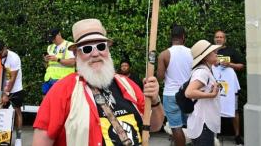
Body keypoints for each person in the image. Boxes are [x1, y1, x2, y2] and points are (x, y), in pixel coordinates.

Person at [32, 18, 164, 145]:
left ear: (108, 50)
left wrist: (154, 101)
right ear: (77, 55)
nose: (95, 54)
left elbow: (153, 126)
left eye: (101, 46)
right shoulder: (61, 92)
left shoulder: (128, 85)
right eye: (87, 49)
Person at [156, 24, 193, 146]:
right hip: (188, 94)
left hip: (171, 95)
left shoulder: (164, 54)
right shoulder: (192, 52)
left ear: (171, 37)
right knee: (192, 125)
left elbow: (160, 77)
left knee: (176, 127)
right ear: (183, 37)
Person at [185, 39, 221, 146]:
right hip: (203, 124)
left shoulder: (206, 71)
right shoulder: (202, 72)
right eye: (213, 52)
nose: (216, 53)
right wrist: (212, 95)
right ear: (205, 57)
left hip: (203, 122)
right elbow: (189, 92)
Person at [213, 30, 245, 146]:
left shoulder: (231, 51)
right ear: (214, 39)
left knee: (234, 110)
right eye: (217, 37)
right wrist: (213, 61)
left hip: (230, 87)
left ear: (225, 39)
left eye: (221, 37)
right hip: (215, 85)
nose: (219, 39)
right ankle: (214, 135)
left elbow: (242, 65)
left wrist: (230, 64)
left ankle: (237, 136)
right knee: (213, 109)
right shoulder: (210, 51)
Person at [0, 40, 24, 142]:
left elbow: (12, 79)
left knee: (17, 111)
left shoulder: (14, 58)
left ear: (5, 48)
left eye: (0, 53)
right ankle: (2, 138)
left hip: (15, 89)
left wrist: (6, 94)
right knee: (0, 112)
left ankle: (18, 138)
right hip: (1, 88)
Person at [42, 28, 75, 95]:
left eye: (54, 38)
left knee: (59, 103)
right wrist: (46, 61)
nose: (53, 40)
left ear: (59, 34)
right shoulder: (50, 47)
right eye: (51, 39)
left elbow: (73, 62)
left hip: (63, 80)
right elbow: (47, 66)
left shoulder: (69, 45)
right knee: (46, 102)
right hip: (48, 79)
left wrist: (57, 59)